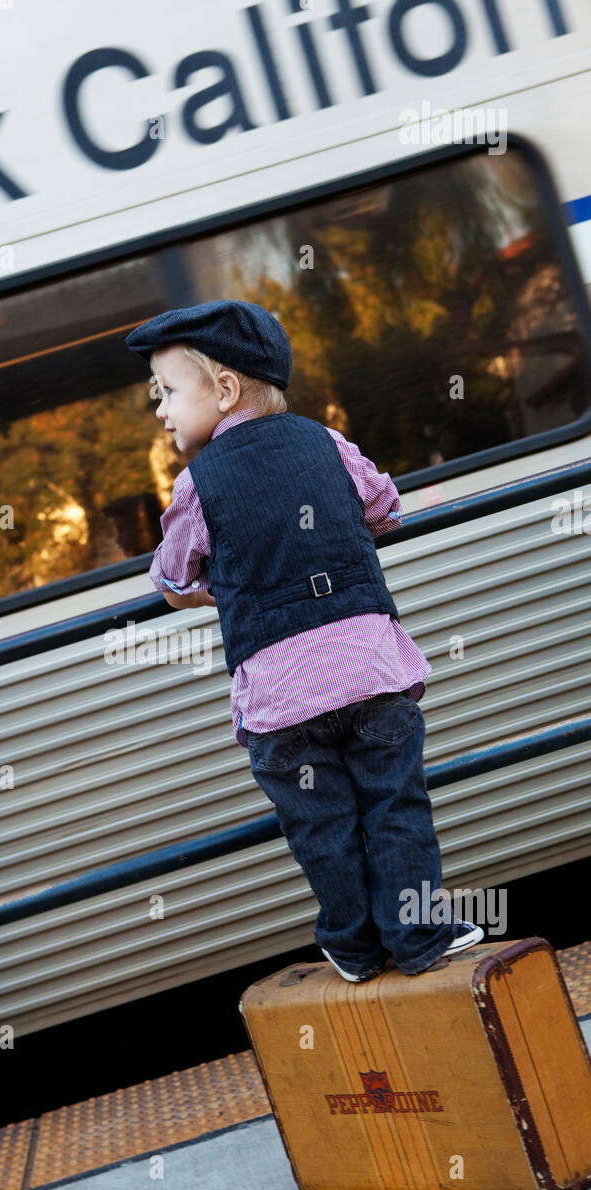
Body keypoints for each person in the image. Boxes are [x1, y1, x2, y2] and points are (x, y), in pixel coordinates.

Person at [125, 299, 484, 982]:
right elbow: (384, 508)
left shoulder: (198, 484)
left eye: (168, 392)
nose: (162, 410)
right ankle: (418, 938)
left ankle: (352, 949)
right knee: (395, 806)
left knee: (321, 826)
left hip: (284, 701)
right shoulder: (327, 442)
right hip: (370, 674)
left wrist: (222, 585)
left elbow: (172, 578)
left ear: (225, 390)